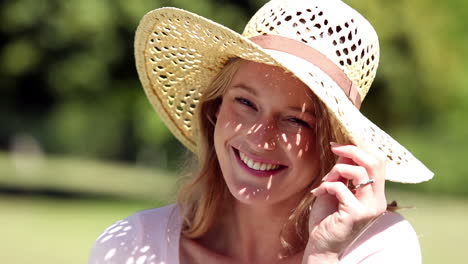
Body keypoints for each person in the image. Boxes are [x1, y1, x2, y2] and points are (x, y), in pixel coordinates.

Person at [89, 0, 433, 263]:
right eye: (246, 103)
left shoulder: (379, 248)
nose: (261, 136)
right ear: (215, 109)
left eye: (297, 120)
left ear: (337, 147)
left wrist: (324, 255)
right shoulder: (134, 247)